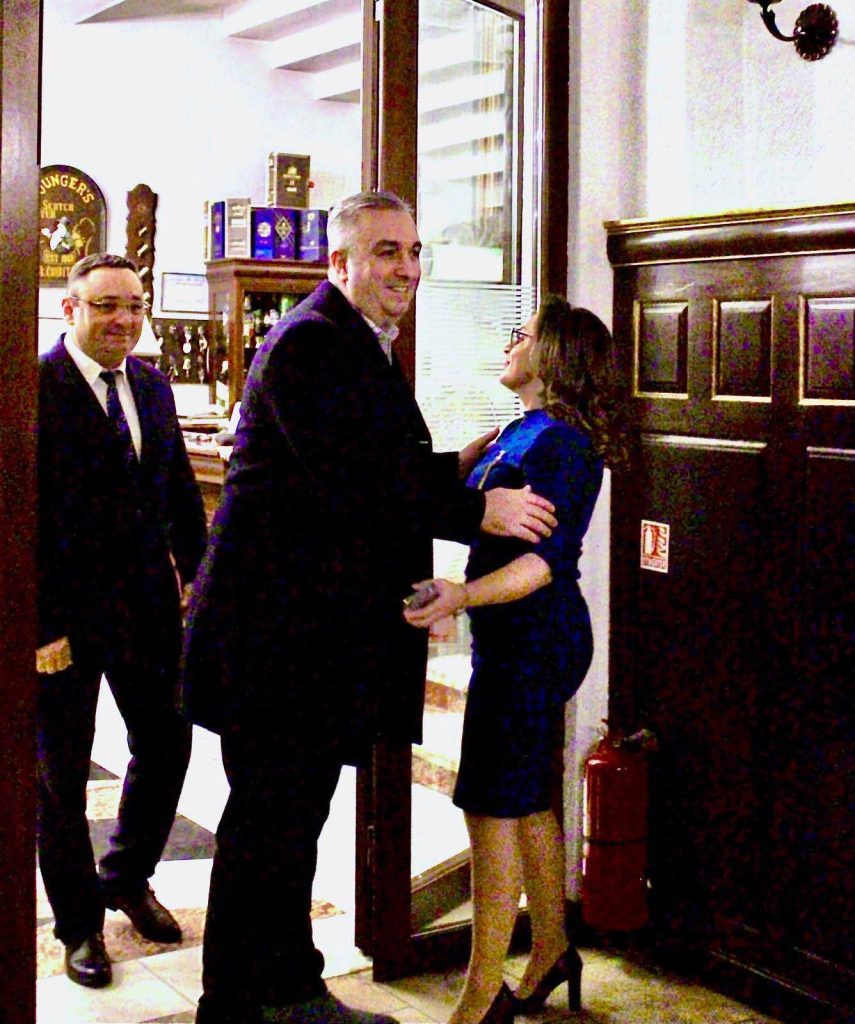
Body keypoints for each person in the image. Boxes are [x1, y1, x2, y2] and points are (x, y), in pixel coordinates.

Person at [180, 190, 558, 1024]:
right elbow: (354, 482)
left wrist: (460, 463)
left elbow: (380, 461)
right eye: (387, 251)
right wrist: (478, 509)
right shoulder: (313, 341)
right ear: (339, 262)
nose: (407, 268)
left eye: (415, 251)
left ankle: (289, 989)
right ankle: (235, 1008)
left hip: (302, 645)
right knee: (267, 830)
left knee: (288, 827)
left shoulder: (353, 341)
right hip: (272, 646)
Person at [404, 295, 629, 1024]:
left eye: (521, 335)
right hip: (512, 637)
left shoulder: (562, 443)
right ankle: (552, 949)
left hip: (536, 639)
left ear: (553, 355)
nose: (509, 344)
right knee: (526, 799)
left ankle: (480, 997)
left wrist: (461, 595)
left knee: (489, 808)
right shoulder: (517, 429)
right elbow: (470, 511)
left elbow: (540, 563)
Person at [36, 253, 208, 988]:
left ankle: (128, 877)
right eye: (106, 305)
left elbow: (176, 490)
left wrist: (200, 576)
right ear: (70, 310)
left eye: (134, 305)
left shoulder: (150, 385)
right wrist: (39, 626)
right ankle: (79, 925)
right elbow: (20, 514)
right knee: (60, 777)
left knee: (168, 744)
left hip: (146, 611)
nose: (123, 319)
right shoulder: (32, 387)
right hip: (63, 620)